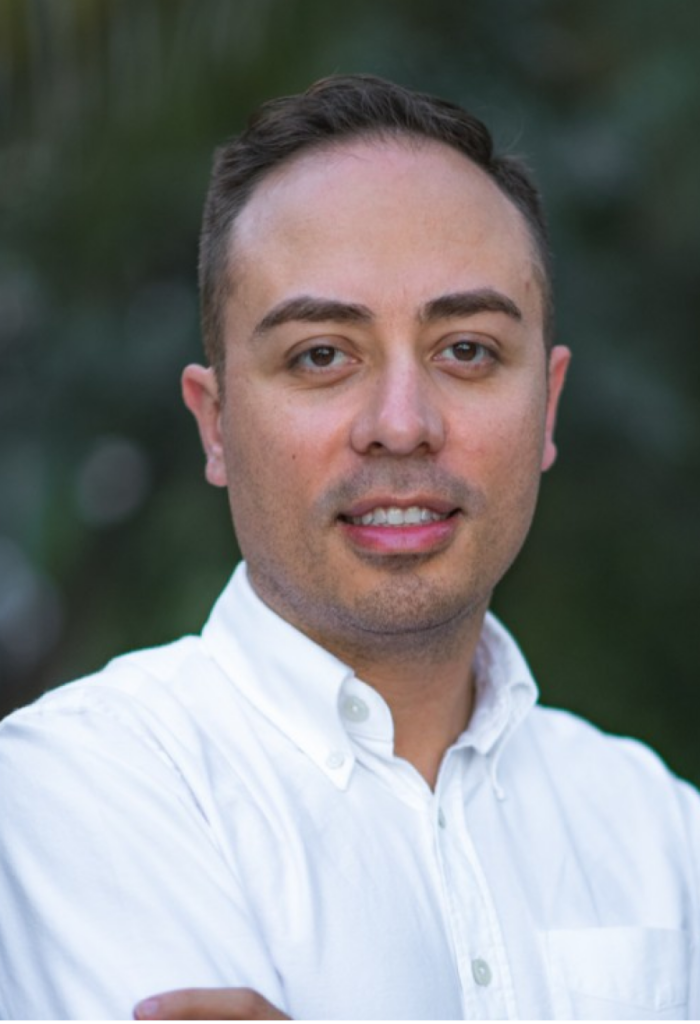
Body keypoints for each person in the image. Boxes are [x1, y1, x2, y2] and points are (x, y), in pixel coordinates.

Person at [0, 74, 697, 1024]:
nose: (401, 425)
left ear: (548, 406)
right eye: (321, 354)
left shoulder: (660, 833)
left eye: (467, 350)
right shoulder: (78, 788)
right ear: (215, 423)